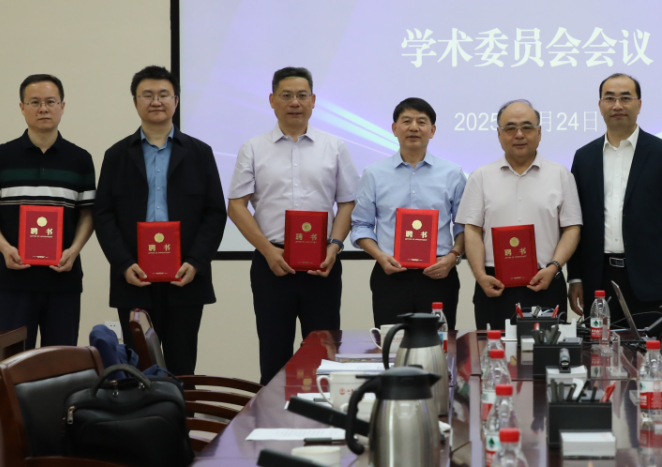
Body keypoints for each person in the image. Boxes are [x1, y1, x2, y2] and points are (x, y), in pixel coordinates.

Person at [228, 67, 358, 384]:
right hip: (272, 264)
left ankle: (323, 414)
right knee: (274, 355)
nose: (294, 102)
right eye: (286, 96)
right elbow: (236, 206)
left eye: (302, 95)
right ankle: (272, 416)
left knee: (325, 356)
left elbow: (348, 202)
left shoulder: (334, 147)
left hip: (322, 266)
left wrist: (334, 247)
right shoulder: (253, 148)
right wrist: (267, 252)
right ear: (272, 100)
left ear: (313, 101)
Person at [93, 66, 227, 376]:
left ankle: (181, 411)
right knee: (138, 370)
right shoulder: (116, 155)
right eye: (147, 95)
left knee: (182, 368)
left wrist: (195, 262)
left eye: (164, 94)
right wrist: (123, 264)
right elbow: (104, 214)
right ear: (135, 102)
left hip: (185, 277)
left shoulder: (199, 153)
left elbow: (214, 213)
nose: (156, 101)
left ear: (176, 101)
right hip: (134, 278)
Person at [0, 74, 96, 350]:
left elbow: (88, 214)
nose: (43, 109)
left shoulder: (80, 159)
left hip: (64, 279)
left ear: (62, 106)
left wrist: (75, 249)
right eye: (35, 102)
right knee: (14, 361)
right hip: (14, 280)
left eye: (50, 102)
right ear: (22, 107)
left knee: (61, 362)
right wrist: (5, 247)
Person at [567, 73, 662, 322]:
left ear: (639, 104)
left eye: (625, 98)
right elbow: (576, 221)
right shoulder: (584, 157)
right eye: (609, 98)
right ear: (600, 105)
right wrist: (576, 277)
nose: (617, 105)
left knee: (649, 345)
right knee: (598, 346)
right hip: (597, 279)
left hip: (651, 280)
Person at [457, 99, 583, 330]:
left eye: (527, 127)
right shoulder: (480, 177)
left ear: (539, 132)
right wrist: (480, 275)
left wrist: (554, 267)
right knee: (493, 350)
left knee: (547, 353)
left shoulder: (560, 175)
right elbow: (472, 230)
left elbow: (572, 228)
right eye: (510, 128)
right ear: (499, 134)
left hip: (546, 281)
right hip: (494, 284)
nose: (519, 134)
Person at [351, 97, 467, 328]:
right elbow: (361, 225)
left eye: (421, 122)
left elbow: (464, 225)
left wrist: (452, 257)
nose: (414, 127)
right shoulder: (374, 174)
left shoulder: (452, 174)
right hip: (390, 275)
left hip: (439, 275)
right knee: (392, 344)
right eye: (406, 121)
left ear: (432, 130)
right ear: (395, 128)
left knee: (438, 344)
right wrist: (379, 256)